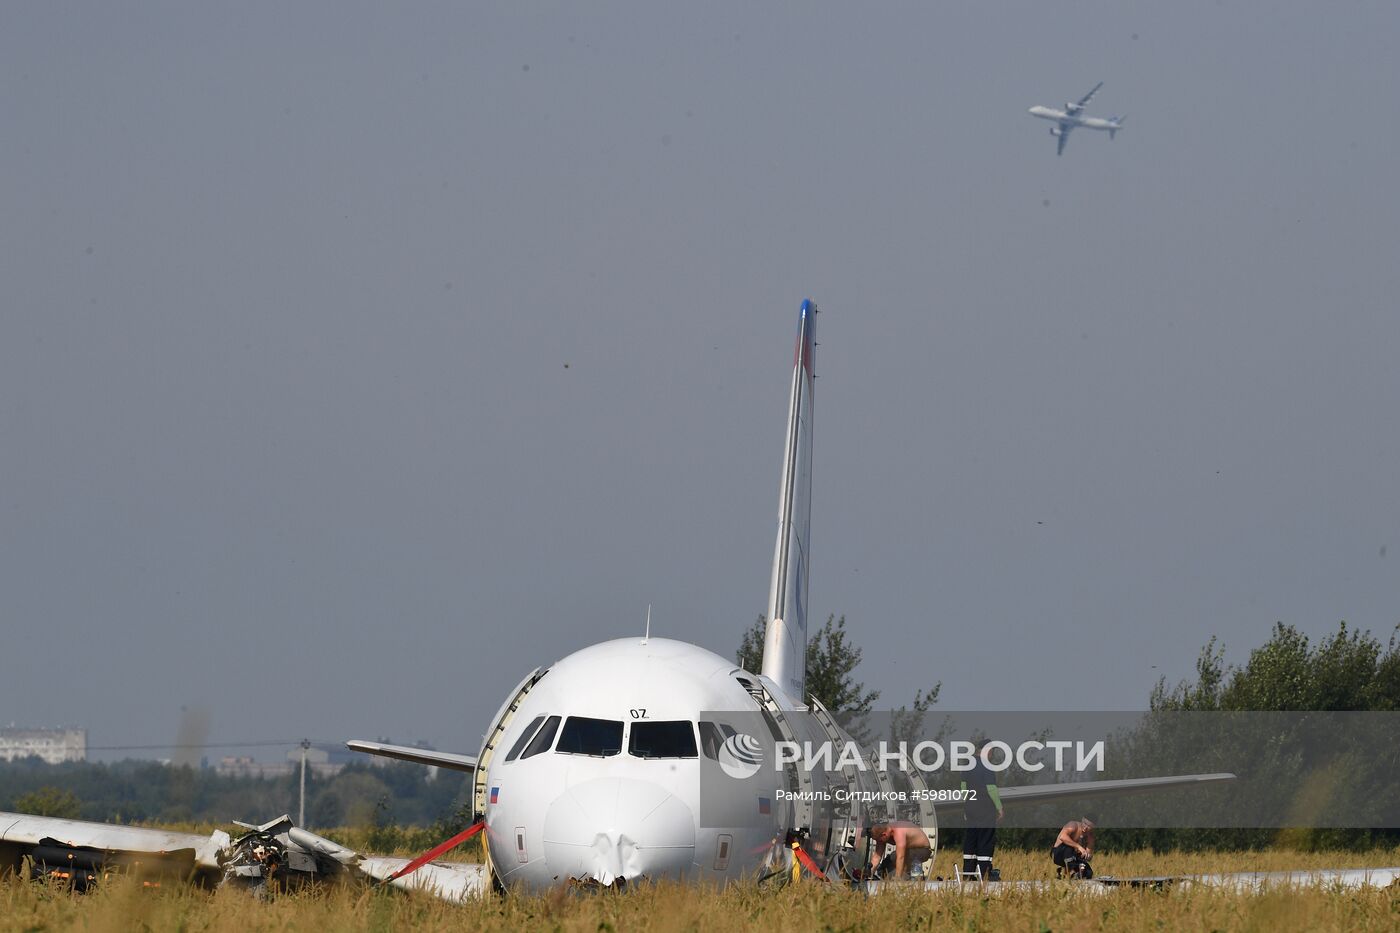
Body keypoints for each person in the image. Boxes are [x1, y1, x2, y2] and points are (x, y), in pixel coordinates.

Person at [960, 739, 1004, 880]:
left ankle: (968, 874)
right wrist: (999, 807)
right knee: (985, 839)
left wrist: (966, 806)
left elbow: (963, 787)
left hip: (971, 807)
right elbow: (991, 789)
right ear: (988, 750)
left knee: (971, 839)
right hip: (985, 807)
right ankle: (983, 874)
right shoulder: (987, 766)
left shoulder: (968, 764)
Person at [865, 821, 933, 879]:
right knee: (885, 865)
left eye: (879, 840)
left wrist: (897, 878)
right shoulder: (883, 835)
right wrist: (869, 874)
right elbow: (877, 857)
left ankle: (909, 879)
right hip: (909, 850)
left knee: (895, 856)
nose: (879, 843)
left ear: (884, 835)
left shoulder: (899, 831)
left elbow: (901, 857)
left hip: (923, 850)